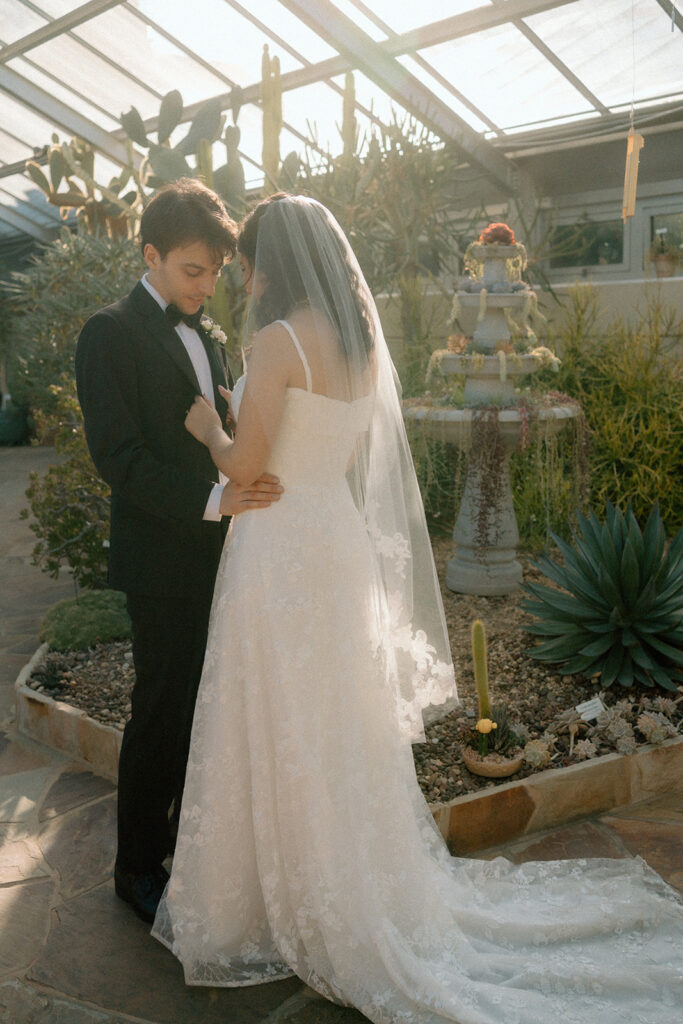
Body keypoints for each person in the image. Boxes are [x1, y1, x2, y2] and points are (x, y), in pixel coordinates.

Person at [152, 194, 682, 1022]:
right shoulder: (359, 342)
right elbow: (334, 444)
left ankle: (289, 895)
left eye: (248, 262)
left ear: (273, 264)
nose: (241, 277)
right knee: (336, 720)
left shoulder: (275, 339)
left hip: (281, 544)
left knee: (285, 717)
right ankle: (357, 880)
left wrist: (208, 430)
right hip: (333, 538)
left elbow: (249, 460)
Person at [75, 179, 283, 924]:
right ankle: (135, 870)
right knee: (160, 712)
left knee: (208, 708)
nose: (206, 286)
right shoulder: (108, 332)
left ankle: (186, 848)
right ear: (151, 255)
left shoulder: (213, 334)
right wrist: (211, 501)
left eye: (217, 273)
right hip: (162, 559)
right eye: (193, 272)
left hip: (228, 555)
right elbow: (119, 457)